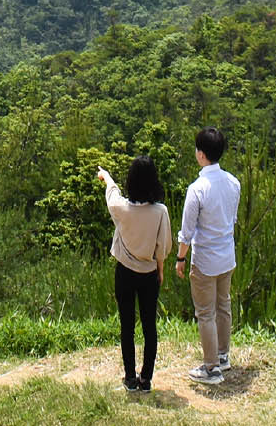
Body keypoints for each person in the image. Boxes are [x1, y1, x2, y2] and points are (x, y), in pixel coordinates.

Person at [97, 156, 169, 394]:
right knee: (150, 327)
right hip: (149, 273)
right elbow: (162, 246)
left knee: (127, 326)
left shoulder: (121, 208)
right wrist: (160, 270)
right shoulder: (160, 212)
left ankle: (129, 378)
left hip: (125, 273)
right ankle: (146, 379)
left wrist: (106, 176)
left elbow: (112, 194)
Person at [175, 127, 240, 385]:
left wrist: (180, 258)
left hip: (205, 260)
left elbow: (187, 231)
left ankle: (211, 368)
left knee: (205, 313)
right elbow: (232, 219)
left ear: (201, 154)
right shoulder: (234, 182)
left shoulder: (197, 188)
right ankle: (223, 356)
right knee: (223, 305)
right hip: (227, 256)